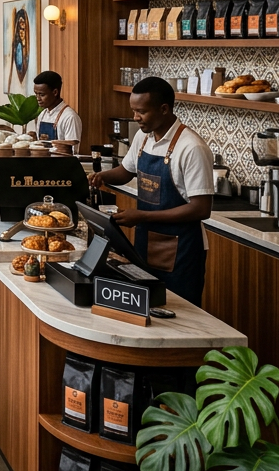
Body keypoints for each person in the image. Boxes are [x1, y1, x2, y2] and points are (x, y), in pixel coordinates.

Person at [88, 76, 213, 306]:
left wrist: (141, 216)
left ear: (164, 109)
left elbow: (201, 209)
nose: (135, 117)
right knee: (148, 307)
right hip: (145, 242)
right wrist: (101, 177)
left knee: (179, 314)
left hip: (181, 252)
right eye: (133, 110)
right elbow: (125, 172)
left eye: (141, 112)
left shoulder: (191, 147)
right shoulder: (143, 137)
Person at [33, 70, 83, 149]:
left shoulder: (69, 117)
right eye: (36, 94)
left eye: (42, 95)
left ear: (55, 92)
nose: (38, 98)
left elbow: (72, 150)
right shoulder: (42, 115)